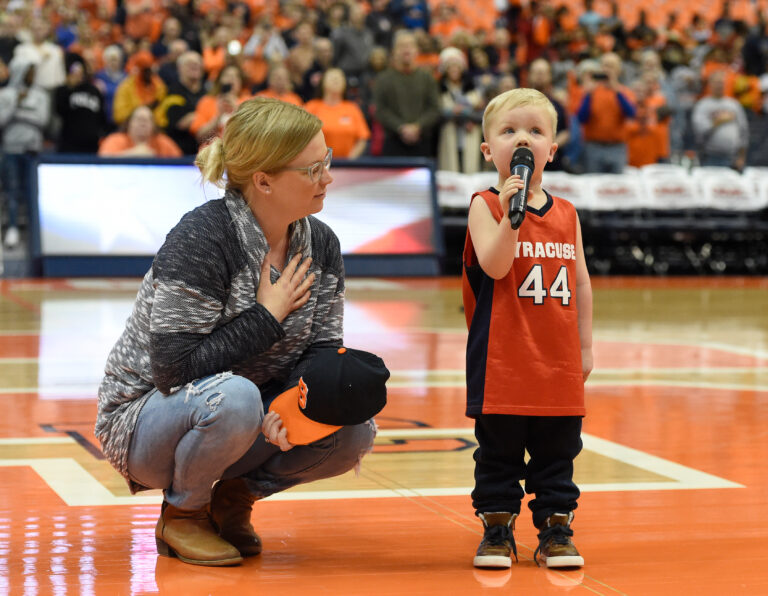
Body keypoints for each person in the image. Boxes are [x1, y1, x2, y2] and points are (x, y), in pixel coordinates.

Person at [95, 97, 379, 567]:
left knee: (351, 426)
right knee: (237, 398)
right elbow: (173, 369)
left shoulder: (321, 243)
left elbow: (324, 348)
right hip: (144, 417)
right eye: (312, 170)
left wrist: (294, 400)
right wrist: (266, 318)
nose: (328, 177)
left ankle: (233, 499)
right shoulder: (204, 238)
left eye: (325, 161)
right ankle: (183, 514)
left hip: (244, 407)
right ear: (263, 180)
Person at [462, 88, 593, 570]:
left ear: (552, 151)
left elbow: (579, 282)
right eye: (510, 130)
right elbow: (495, 267)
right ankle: (497, 530)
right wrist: (511, 217)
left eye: (536, 131)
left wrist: (585, 347)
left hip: (557, 362)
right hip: (503, 360)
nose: (523, 139)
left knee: (558, 452)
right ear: (488, 150)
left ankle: (556, 530)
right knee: (498, 452)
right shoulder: (485, 205)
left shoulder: (567, 213)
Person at [0, 58, 50, 249]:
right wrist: (16, 105)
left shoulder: (41, 95)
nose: (31, 76)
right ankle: (12, 229)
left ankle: (35, 234)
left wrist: (18, 113)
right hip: (11, 148)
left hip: (33, 150)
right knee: (12, 191)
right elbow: (1, 120)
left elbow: (43, 120)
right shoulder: (5, 94)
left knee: (34, 193)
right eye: (28, 71)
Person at [372, 29, 440, 158]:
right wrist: (400, 128)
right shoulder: (383, 79)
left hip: (423, 142)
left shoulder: (427, 78)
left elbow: (434, 108)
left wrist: (418, 127)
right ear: (394, 52)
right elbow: (380, 110)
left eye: (410, 45)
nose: (406, 49)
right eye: (401, 46)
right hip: (392, 142)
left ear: (417, 50)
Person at [576, 52, 636, 173]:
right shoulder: (591, 91)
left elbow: (631, 114)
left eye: (611, 66)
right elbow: (581, 118)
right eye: (605, 66)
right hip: (594, 147)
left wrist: (616, 91)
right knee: (593, 184)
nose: (607, 70)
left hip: (617, 147)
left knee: (617, 186)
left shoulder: (624, 92)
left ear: (618, 70)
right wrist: (588, 95)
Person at [304, 68, 370, 159]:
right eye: (332, 77)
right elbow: (301, 136)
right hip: (317, 164)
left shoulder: (352, 108)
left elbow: (363, 138)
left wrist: (350, 160)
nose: (336, 79)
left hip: (346, 165)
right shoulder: (311, 107)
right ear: (323, 83)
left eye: (339, 78)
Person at [691, 70, 749, 170]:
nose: (720, 85)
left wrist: (741, 157)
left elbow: (744, 131)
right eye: (717, 82)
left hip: (732, 157)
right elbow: (699, 130)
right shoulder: (703, 105)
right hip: (710, 156)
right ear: (710, 84)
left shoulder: (734, 104)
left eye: (722, 83)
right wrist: (719, 121)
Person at [98, 105, 183, 157]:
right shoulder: (115, 140)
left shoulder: (163, 142)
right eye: (139, 120)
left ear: (153, 126)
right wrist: (134, 154)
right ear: (129, 124)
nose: (143, 124)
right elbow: (102, 160)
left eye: (147, 120)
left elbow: (181, 163)